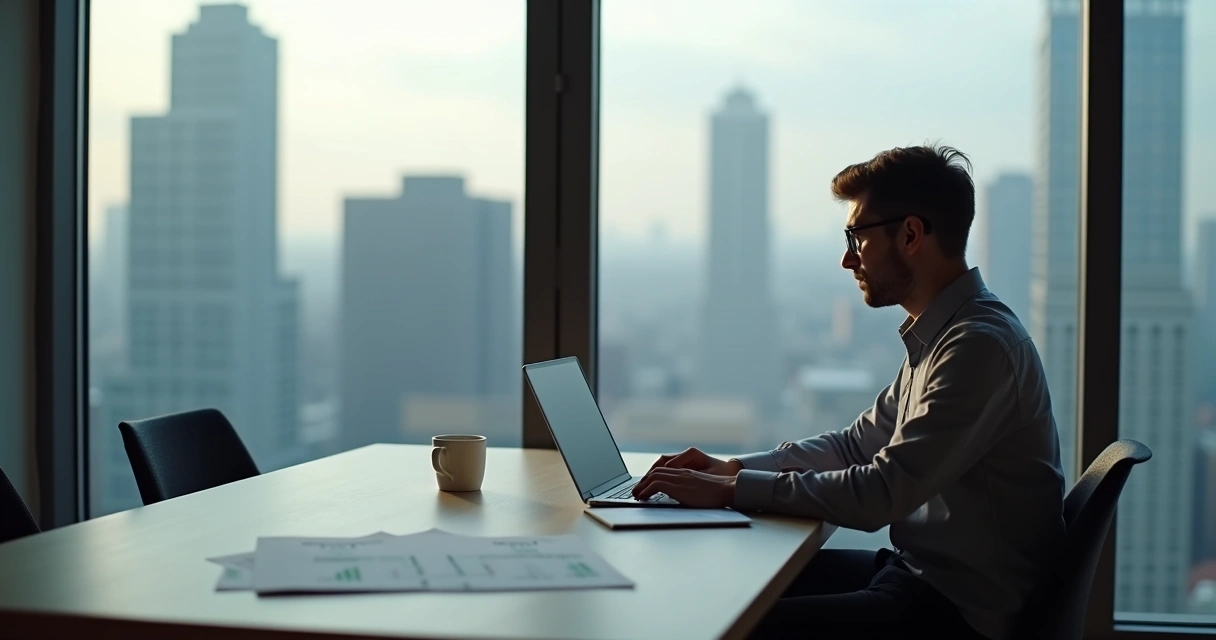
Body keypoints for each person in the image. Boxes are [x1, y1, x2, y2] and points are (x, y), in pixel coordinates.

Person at [633, 145, 1066, 640]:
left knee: (730, 623)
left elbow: (881, 494)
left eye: (856, 236)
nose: (846, 259)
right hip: (918, 578)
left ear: (910, 235)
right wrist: (734, 468)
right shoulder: (946, 334)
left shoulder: (978, 347)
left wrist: (733, 491)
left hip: (957, 614)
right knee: (728, 586)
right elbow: (854, 446)